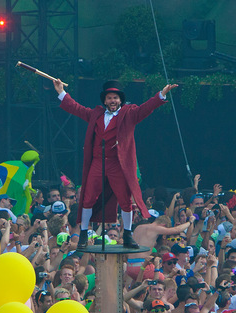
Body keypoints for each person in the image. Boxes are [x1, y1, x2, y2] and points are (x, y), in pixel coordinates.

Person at [53, 78, 177, 249]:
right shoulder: (96, 114)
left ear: (120, 100)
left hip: (117, 164)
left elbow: (145, 109)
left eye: (116, 98)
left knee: (125, 200)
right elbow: (76, 108)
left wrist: (161, 95)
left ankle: (127, 234)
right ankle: (83, 233)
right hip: (98, 162)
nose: (113, 101)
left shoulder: (129, 114)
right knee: (87, 198)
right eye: (110, 98)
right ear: (105, 100)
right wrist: (61, 92)